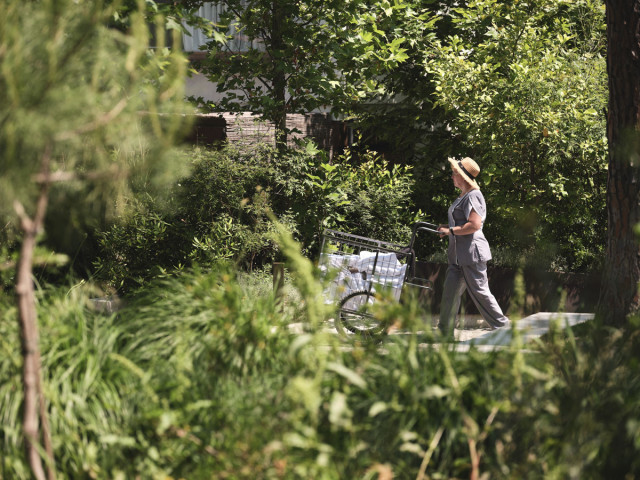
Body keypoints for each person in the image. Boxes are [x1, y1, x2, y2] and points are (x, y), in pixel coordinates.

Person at [437, 157, 509, 335]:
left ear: (463, 177)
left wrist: (451, 231)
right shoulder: (462, 196)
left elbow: (475, 225)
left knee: (480, 292)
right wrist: (447, 228)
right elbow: (460, 222)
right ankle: (445, 333)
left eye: (455, 173)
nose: (452, 176)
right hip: (457, 256)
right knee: (450, 293)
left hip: (472, 254)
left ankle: (505, 329)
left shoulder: (474, 195)